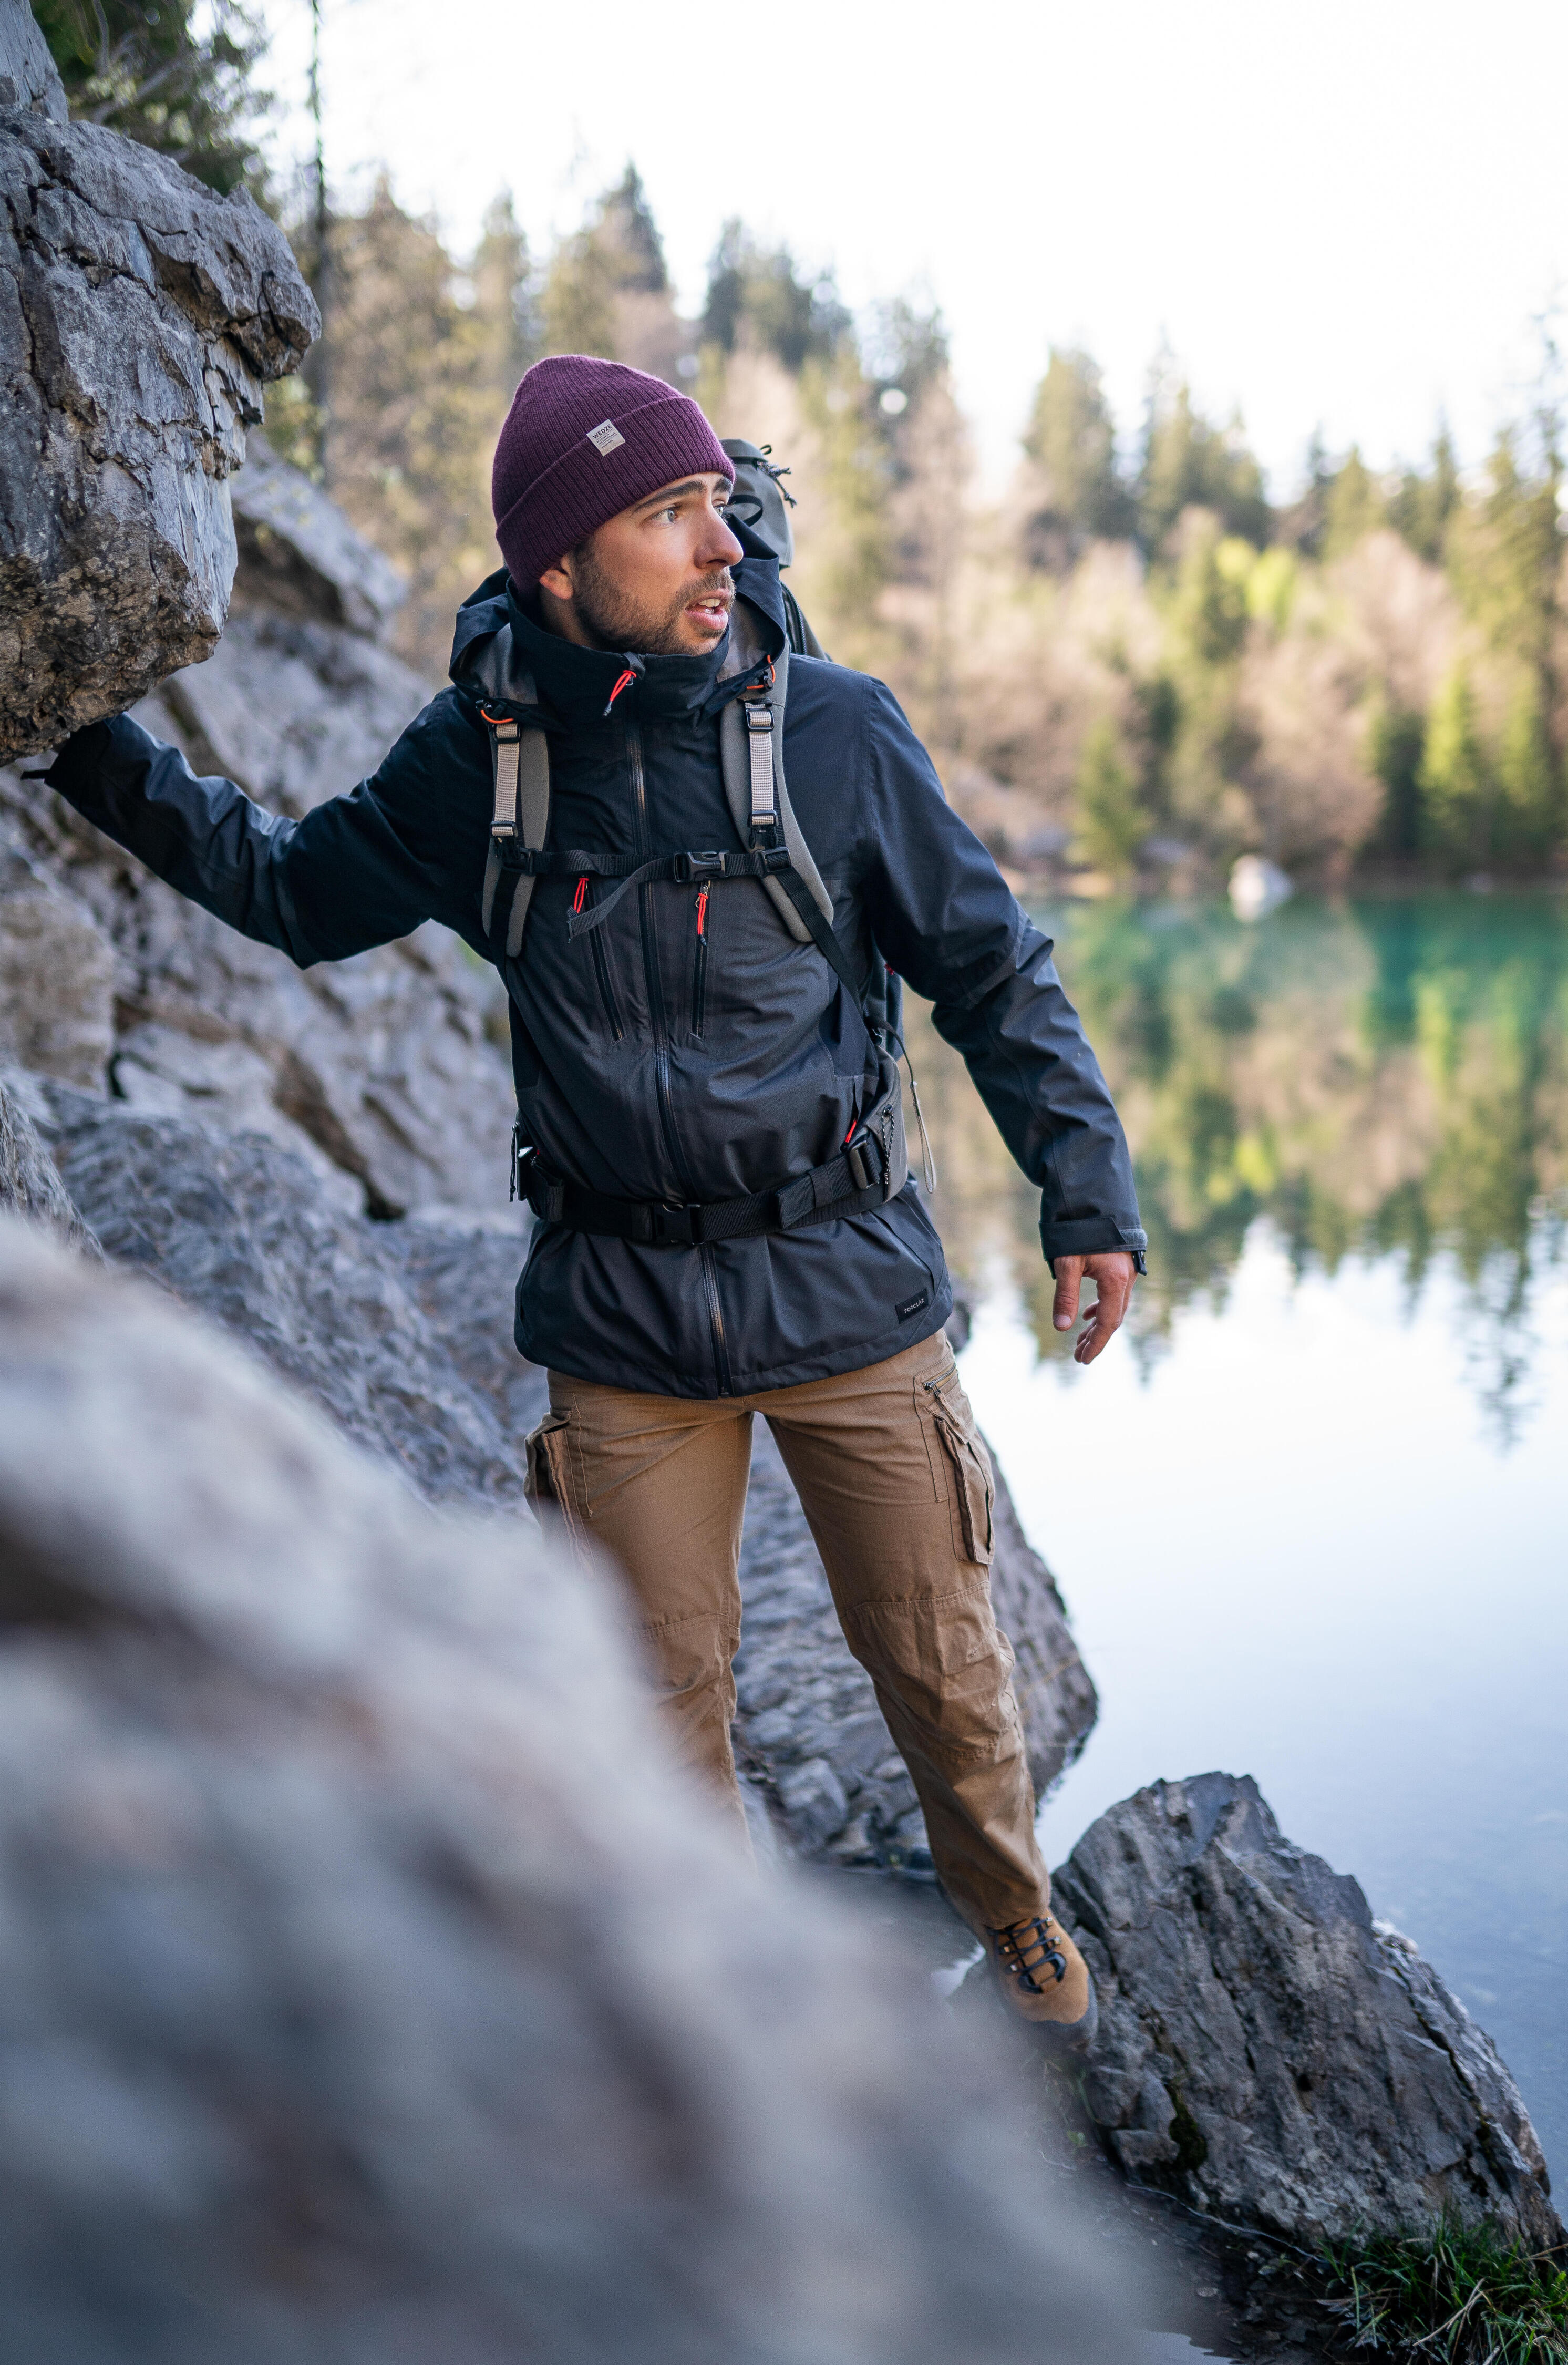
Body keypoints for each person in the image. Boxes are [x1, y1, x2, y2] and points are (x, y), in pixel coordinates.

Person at [43, 355, 1147, 2054]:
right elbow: (284, 888)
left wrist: (1087, 1189)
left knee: (944, 1674)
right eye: (667, 515)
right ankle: (721, 2026)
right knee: (655, 1716)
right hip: (624, 1322)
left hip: (849, 1286)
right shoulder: (476, 765)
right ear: (560, 567)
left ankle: (1013, 1923)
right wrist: (76, 730)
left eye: (719, 504)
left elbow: (992, 973)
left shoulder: (833, 731)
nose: (720, 546)